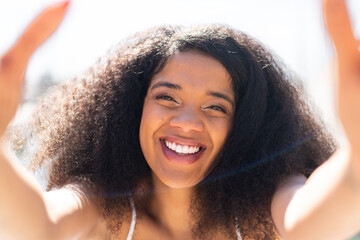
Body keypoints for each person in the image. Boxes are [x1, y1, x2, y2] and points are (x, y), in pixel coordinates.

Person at [0, 0, 359, 239]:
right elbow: (40, 226)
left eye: (216, 107)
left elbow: (308, 223)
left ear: (246, 125)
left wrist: (356, 161)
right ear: (130, 110)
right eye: (166, 97)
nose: (187, 122)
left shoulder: (267, 201)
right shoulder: (102, 200)